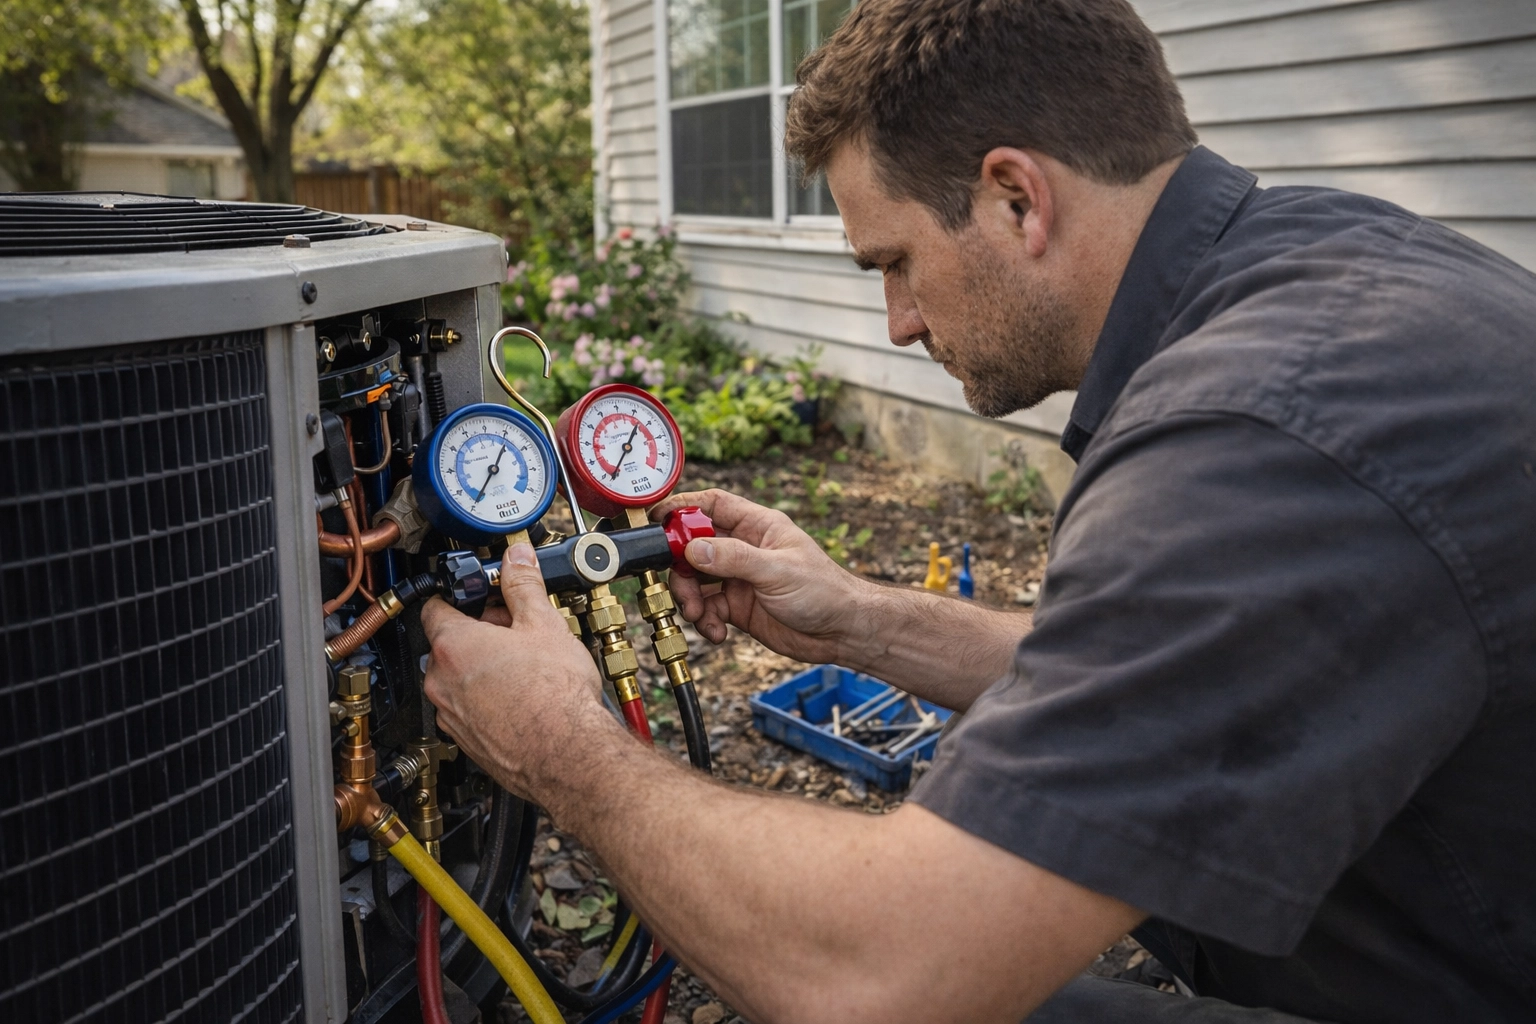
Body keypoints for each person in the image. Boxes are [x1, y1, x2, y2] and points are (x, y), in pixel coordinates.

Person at [420, 0, 1536, 1020]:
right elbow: (1151, 670)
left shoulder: (1258, 430)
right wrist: (858, 618)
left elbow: (879, 980)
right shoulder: (1319, 269)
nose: (900, 321)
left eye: (894, 261)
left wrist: (560, 747)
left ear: (1016, 195)